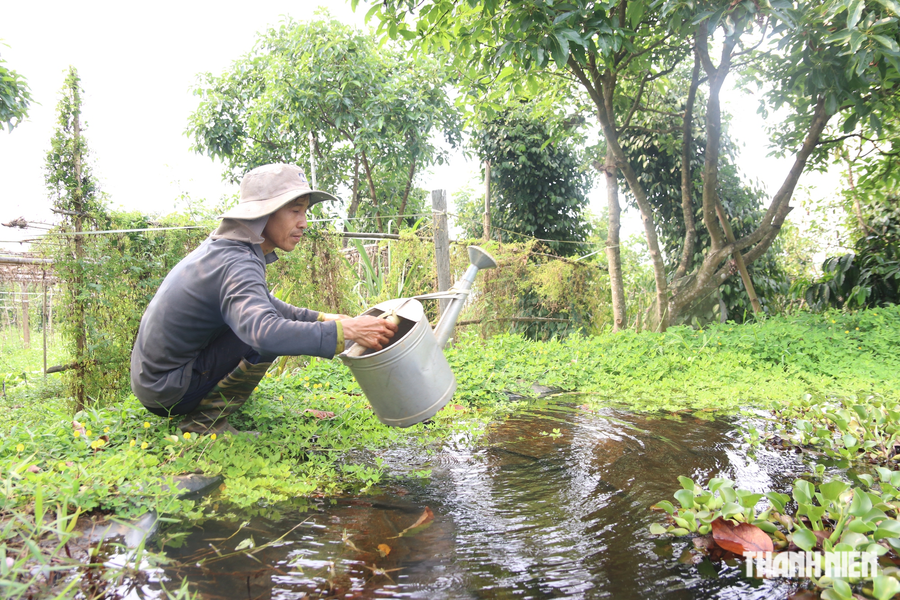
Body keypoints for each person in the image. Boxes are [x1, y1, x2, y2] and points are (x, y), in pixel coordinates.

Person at [130, 163, 397, 435]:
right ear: (264, 213)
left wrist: (323, 318)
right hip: (168, 390)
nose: (303, 223)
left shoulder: (227, 249)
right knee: (263, 336)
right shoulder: (238, 261)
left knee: (260, 323)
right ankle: (204, 423)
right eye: (295, 211)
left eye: (304, 212)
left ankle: (208, 401)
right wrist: (345, 331)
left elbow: (266, 304)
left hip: (156, 381)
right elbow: (264, 332)